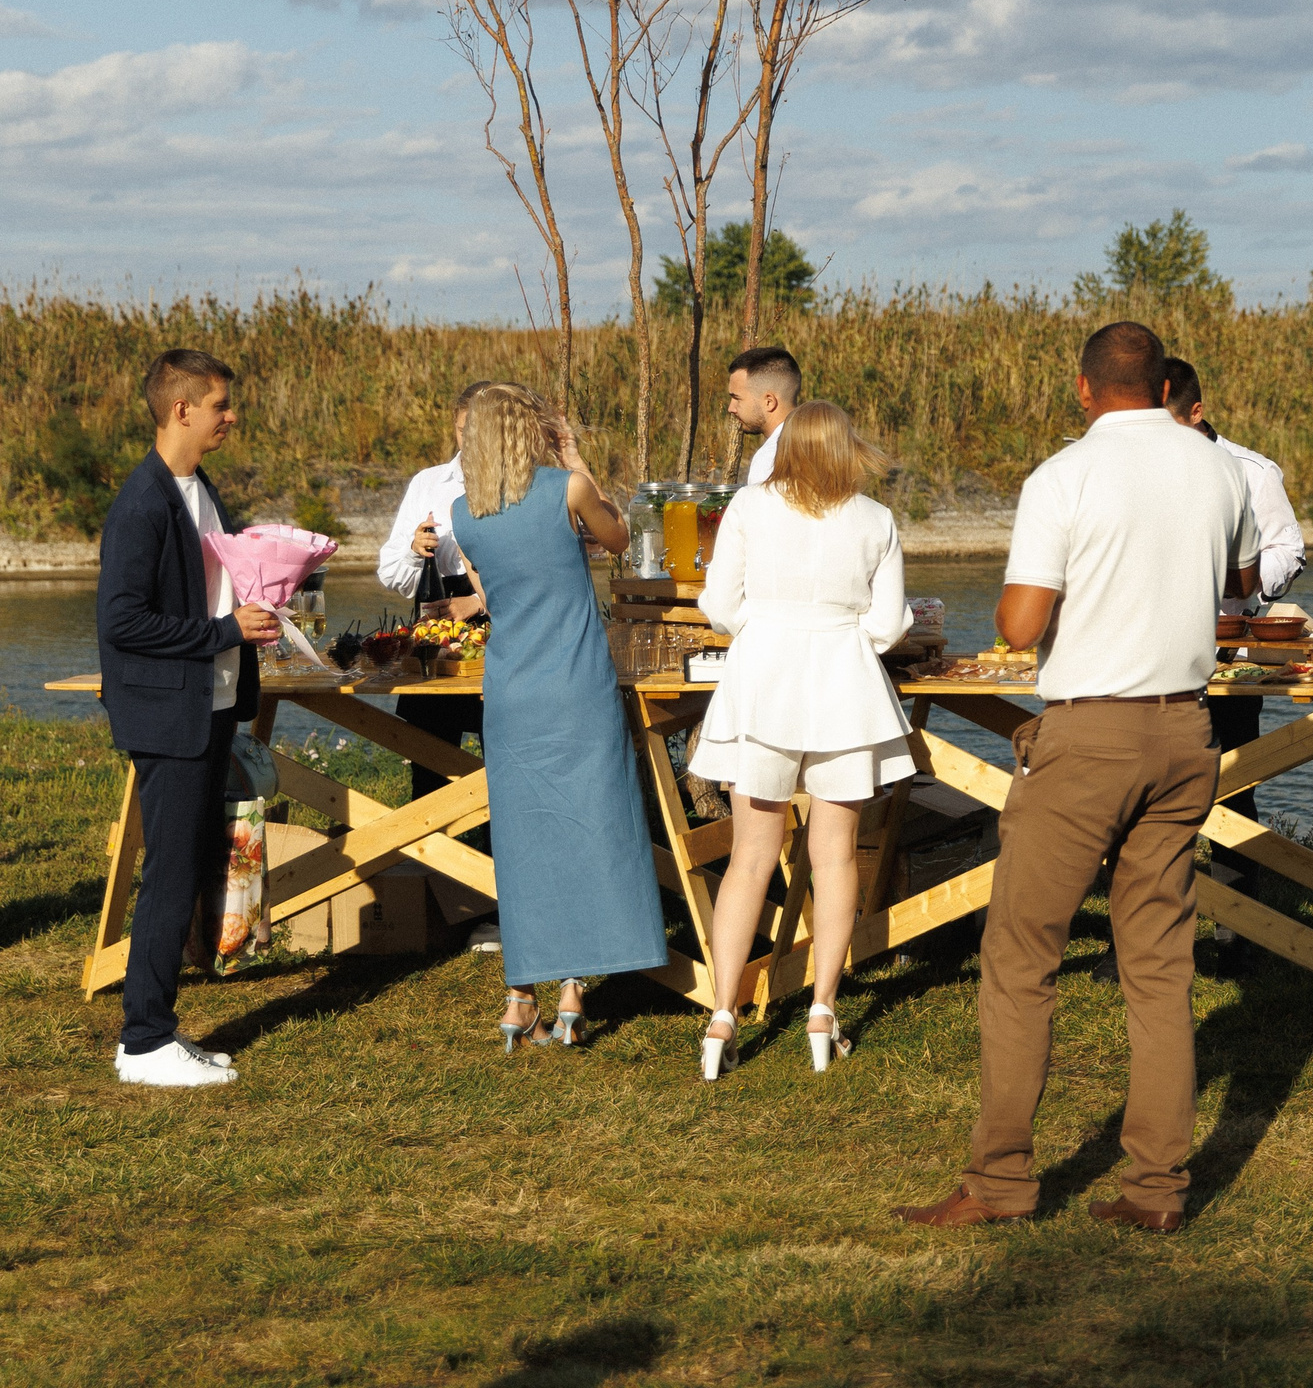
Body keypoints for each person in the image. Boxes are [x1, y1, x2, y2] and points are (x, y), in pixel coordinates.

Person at [896, 321, 1255, 1235]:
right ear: (1164, 385)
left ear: (1087, 389)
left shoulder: (1064, 475)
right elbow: (1239, 578)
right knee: (1160, 967)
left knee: (1022, 960)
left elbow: (1018, 625)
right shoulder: (1220, 468)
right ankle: (1158, 1190)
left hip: (1090, 736)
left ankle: (1000, 1185)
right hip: (1186, 729)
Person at [689, 402, 917, 1080]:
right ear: (848, 448)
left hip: (763, 680)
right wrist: (841, 636)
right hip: (844, 684)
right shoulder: (875, 518)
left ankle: (722, 1016)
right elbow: (887, 622)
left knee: (751, 857)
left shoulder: (750, 508)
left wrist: (766, 627)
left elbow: (719, 604)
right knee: (836, 856)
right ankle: (822, 1010)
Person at [445, 383, 667, 1050]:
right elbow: (619, 537)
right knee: (588, 827)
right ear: (531, 431)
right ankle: (573, 990)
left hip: (512, 690)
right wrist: (578, 461)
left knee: (524, 838)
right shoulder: (566, 491)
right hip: (575, 683)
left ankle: (522, 996)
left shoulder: (462, 514)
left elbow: (491, 591)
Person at [95, 349, 285, 1087]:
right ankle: (143, 1041)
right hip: (166, 717)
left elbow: (207, 590)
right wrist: (226, 632)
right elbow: (122, 622)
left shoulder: (197, 488)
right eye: (220, 406)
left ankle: (160, 1030)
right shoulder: (141, 504)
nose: (231, 418)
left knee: (188, 866)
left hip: (207, 708)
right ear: (181, 410)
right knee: (170, 874)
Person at [1167, 355, 1306, 971]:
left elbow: (1288, 550)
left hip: (1231, 653)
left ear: (1197, 412)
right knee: (1143, 793)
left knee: (1232, 788)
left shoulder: (1251, 472)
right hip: (1155, 654)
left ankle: (1236, 935)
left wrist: (1244, 594)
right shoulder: (1142, 469)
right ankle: (1141, 941)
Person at [375, 382, 499, 951]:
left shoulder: (518, 481)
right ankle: (441, 893)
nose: (467, 439)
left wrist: (480, 600)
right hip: (435, 629)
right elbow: (391, 572)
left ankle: (498, 902)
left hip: (500, 627)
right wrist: (416, 552)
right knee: (427, 752)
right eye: (460, 429)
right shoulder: (429, 483)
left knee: (503, 756)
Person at [726, 346, 802, 485]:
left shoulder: (771, 458)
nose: (731, 408)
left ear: (769, 402)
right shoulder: (831, 444)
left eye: (737, 398)